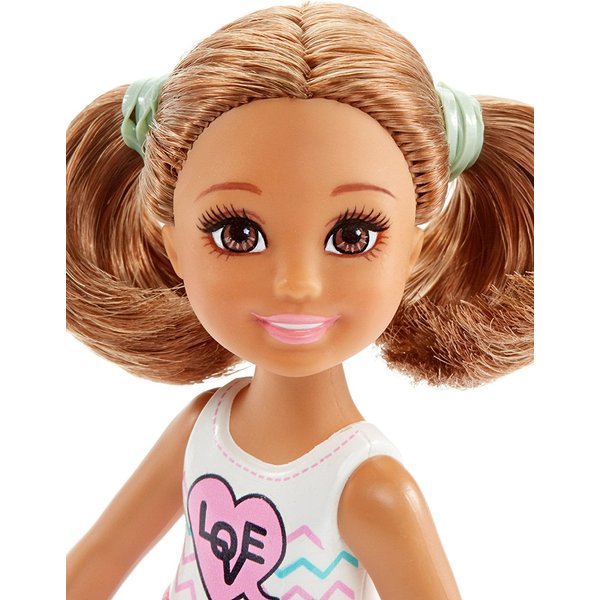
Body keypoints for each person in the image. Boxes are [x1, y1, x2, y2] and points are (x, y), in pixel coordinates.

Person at [66, 3, 533, 598]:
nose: (297, 285)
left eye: (353, 236)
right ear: (173, 246)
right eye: (238, 233)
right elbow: (92, 564)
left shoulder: (368, 486)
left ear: (416, 251)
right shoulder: (201, 432)